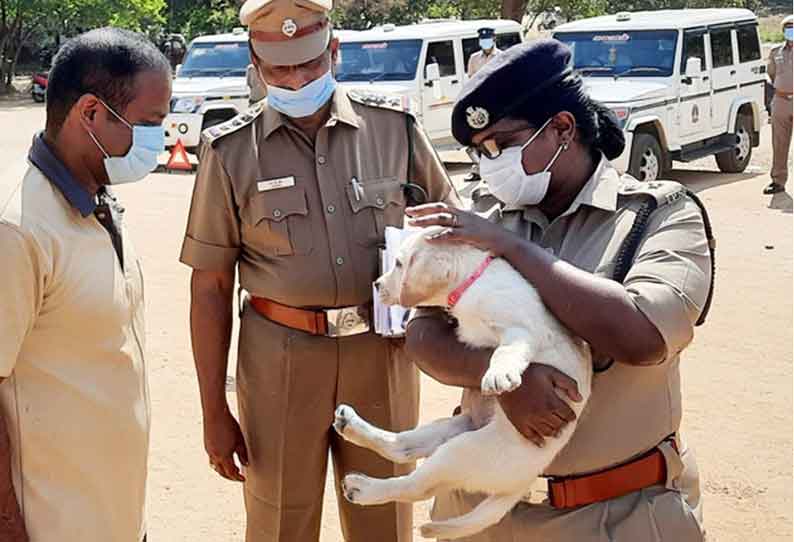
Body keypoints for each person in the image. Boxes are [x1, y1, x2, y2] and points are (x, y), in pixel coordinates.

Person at [404, 39, 713, 541]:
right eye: (480, 153)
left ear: (562, 129)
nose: (491, 164)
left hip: (614, 515)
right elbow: (422, 335)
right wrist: (502, 377)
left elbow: (641, 336)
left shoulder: (658, 215)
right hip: (481, 513)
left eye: (502, 144)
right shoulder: (485, 216)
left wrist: (510, 248)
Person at [178, 1, 459, 541]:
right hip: (279, 360)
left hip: (381, 353)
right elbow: (209, 285)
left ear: (334, 51)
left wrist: (455, 352)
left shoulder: (394, 130)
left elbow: (451, 234)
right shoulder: (231, 151)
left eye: (309, 65)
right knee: (279, 519)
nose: (296, 79)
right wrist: (213, 410)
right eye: (279, 70)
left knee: (385, 517)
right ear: (256, 68)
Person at [0, 28, 170, 542]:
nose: (159, 142)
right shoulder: (19, 230)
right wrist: (8, 526)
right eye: (148, 124)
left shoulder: (96, 199)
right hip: (55, 525)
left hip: (114, 513)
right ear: (91, 114)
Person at [464, 27, 502, 183]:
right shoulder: (474, 59)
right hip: (478, 104)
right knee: (478, 136)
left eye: (487, 38)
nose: (484, 42)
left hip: (496, 102)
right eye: (482, 39)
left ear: (494, 39)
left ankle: (498, 169)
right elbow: (471, 80)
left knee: (495, 136)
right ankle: (480, 169)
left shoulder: (501, 56)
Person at [764, 14, 793, 195]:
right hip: (781, 101)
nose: (791, 31)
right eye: (788, 28)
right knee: (779, 143)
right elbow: (770, 75)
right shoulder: (776, 52)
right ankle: (777, 180)